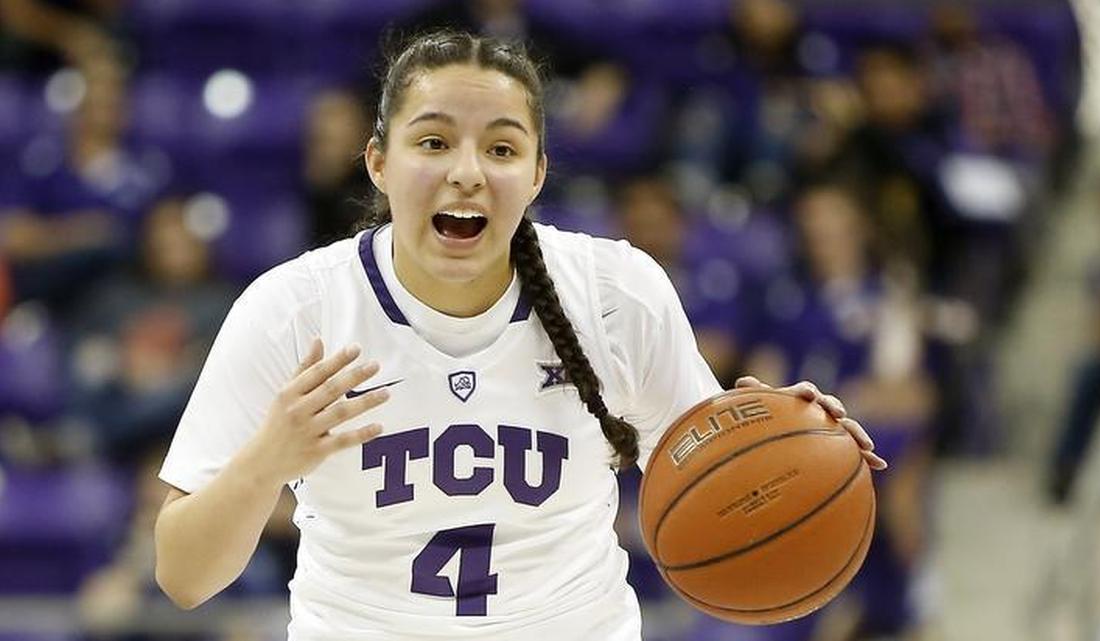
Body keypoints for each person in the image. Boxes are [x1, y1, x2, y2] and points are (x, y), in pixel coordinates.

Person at [153, 30, 887, 641]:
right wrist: (266, 461)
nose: (467, 172)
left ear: (538, 173)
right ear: (378, 161)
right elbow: (184, 576)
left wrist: (776, 443)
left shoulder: (613, 295)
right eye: (434, 142)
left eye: (501, 150)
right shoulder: (295, 309)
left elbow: (710, 484)